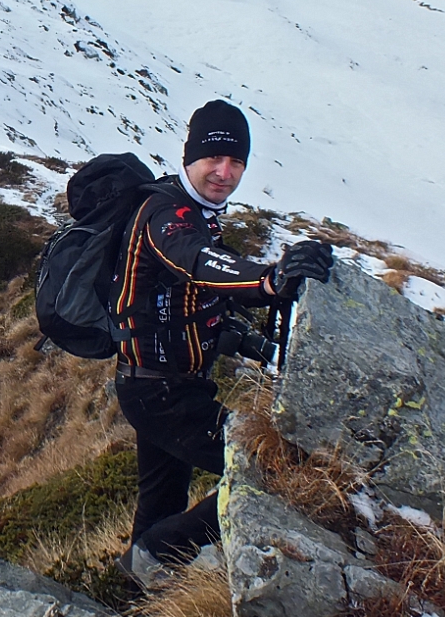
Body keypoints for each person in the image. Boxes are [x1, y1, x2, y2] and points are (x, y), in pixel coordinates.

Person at [112, 100, 333, 587]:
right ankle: (153, 556)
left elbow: (190, 296)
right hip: (162, 394)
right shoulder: (167, 216)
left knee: (161, 501)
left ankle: (131, 605)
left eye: (236, 162)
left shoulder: (195, 211)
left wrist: (244, 336)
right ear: (189, 157)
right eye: (213, 158)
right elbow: (197, 262)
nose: (224, 172)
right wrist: (270, 281)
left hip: (158, 385)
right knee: (269, 469)